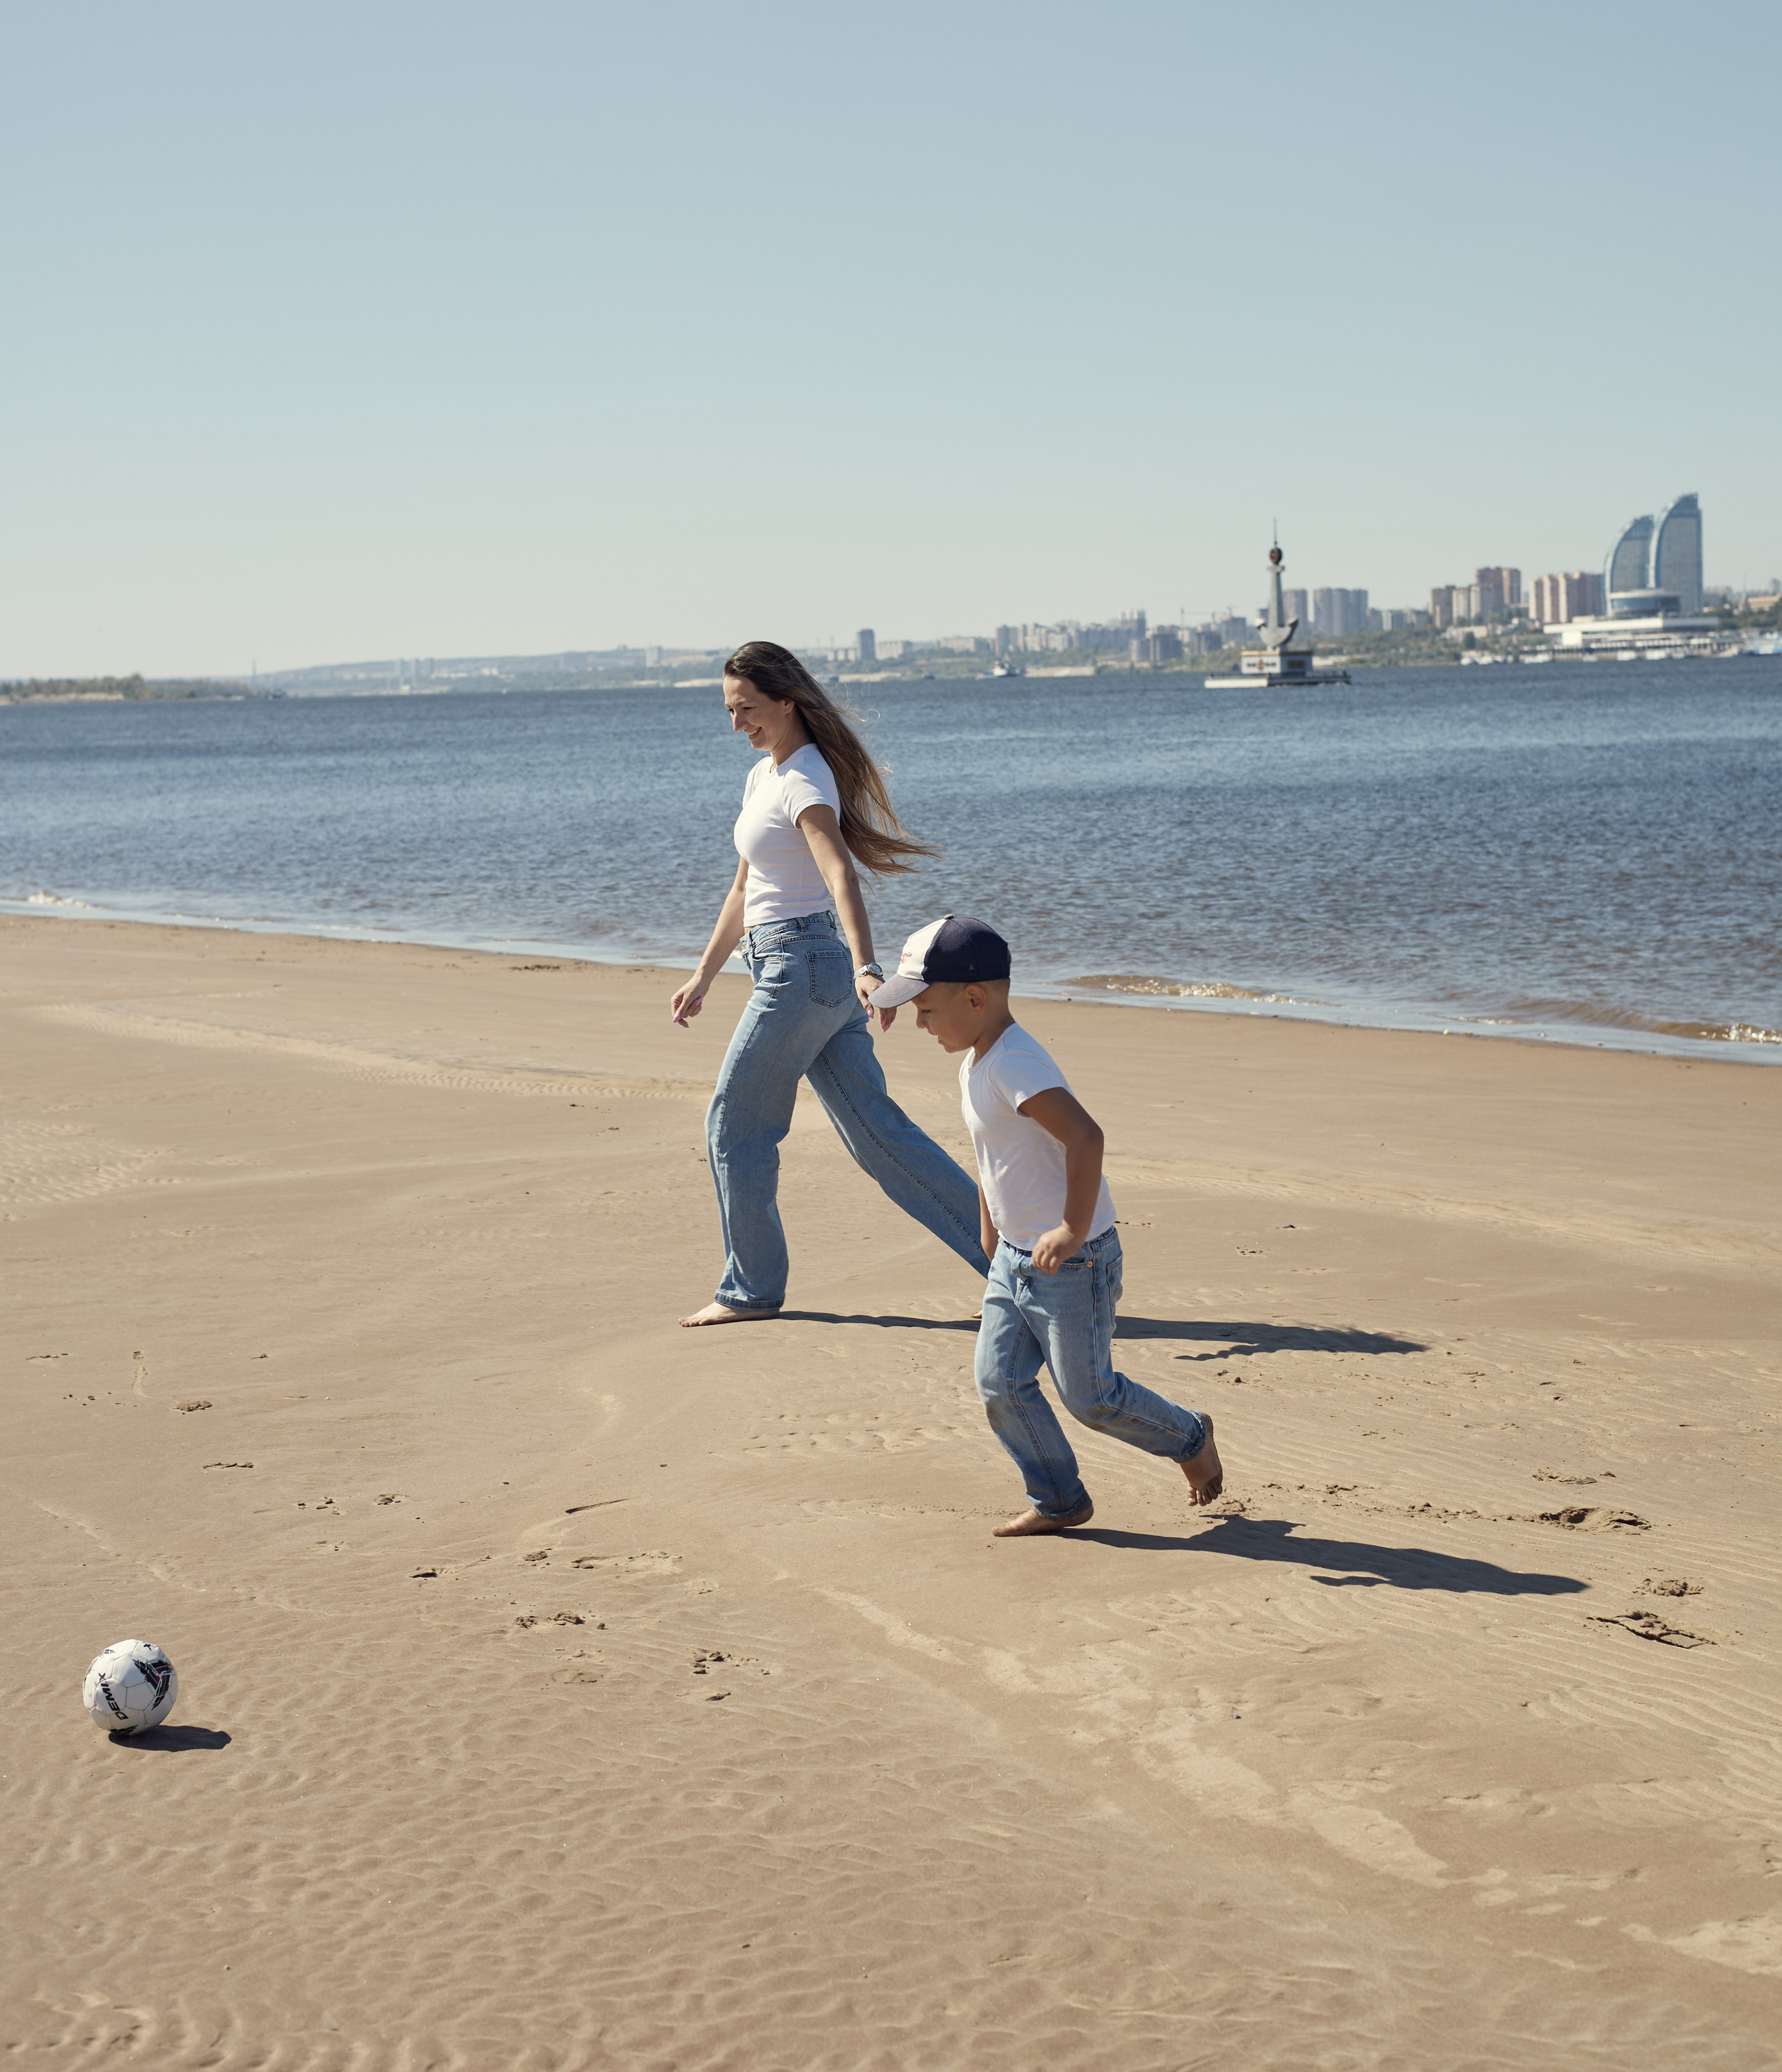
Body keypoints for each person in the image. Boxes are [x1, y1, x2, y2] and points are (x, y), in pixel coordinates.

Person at [872, 913, 1225, 1535]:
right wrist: (991, 1229)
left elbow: (1086, 1137)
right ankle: (1060, 1500)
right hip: (1014, 1257)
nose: (920, 1023)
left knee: (1091, 1398)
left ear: (975, 998)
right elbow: (991, 1155)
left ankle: (1190, 1437)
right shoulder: (974, 1062)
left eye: (926, 1009)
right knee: (1000, 1384)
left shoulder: (1016, 1065)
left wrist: (1069, 1227)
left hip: (1075, 1259)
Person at [670, 643, 990, 1327]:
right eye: (730, 711)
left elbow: (839, 873)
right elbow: (743, 889)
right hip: (797, 967)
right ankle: (1018, 1272)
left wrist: (866, 966)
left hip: (802, 971)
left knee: (734, 1124)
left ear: (786, 700)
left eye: (747, 710)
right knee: (880, 1137)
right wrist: (703, 974)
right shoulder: (765, 776)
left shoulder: (803, 779)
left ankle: (750, 1289)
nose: (737, 725)